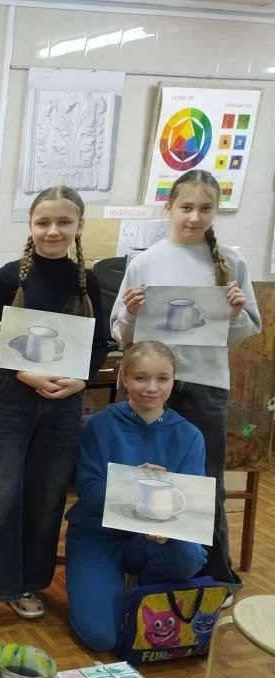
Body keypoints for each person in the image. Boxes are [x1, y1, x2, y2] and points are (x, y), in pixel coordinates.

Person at [0, 185, 108, 644]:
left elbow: (99, 345)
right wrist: (24, 373)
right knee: (0, 497)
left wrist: (80, 381)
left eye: (64, 222)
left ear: (79, 227)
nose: (53, 231)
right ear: (31, 226)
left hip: (63, 405)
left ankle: (25, 584)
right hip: (12, 401)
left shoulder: (87, 282)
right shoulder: (7, 278)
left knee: (46, 497)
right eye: (43, 222)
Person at [111, 169, 261, 594]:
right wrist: (131, 312)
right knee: (141, 475)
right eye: (186, 207)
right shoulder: (145, 261)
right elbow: (120, 333)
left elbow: (245, 330)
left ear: (216, 211)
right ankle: (142, 565)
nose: (195, 217)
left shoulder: (231, 262)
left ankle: (214, 577)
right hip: (149, 386)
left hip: (206, 384)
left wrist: (236, 313)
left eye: (205, 209)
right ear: (169, 208)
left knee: (205, 483)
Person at [65, 341, 207, 651]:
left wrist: (166, 529)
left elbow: (190, 503)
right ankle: (110, 589)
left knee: (188, 555)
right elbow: (90, 492)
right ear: (125, 378)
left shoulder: (189, 436)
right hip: (98, 534)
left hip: (151, 539)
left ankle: (142, 589)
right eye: (141, 378)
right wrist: (131, 483)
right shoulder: (99, 426)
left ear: (173, 380)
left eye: (162, 378)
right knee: (100, 638)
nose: (151, 388)